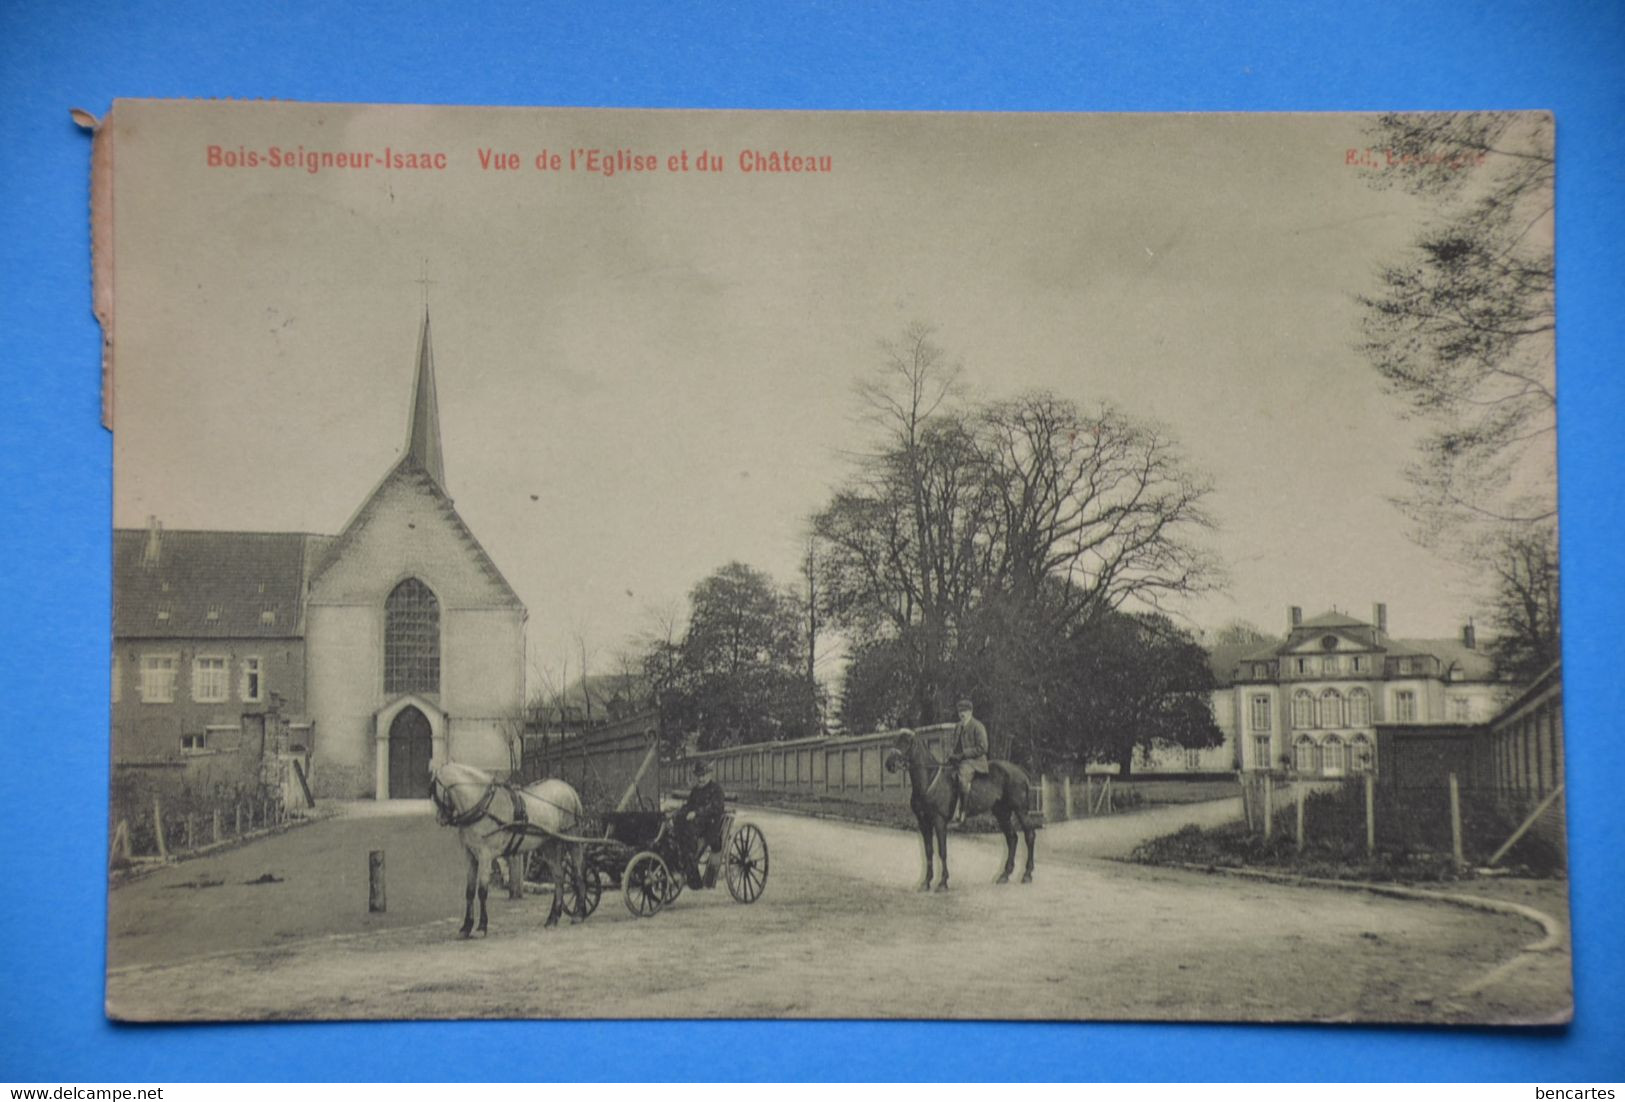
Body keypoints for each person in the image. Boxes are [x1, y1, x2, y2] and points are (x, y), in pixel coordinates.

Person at [674, 758, 725, 887]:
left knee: (687, 833)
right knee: (677, 826)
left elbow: (714, 807)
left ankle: (692, 876)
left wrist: (696, 813)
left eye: (703, 775)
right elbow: (689, 805)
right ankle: (682, 864)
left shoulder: (716, 790)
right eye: (698, 776)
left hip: (711, 826)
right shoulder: (696, 790)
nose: (701, 779)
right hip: (698, 823)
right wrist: (679, 812)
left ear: (709, 774)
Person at [949, 697, 990, 824]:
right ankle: (950, 809)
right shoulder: (957, 726)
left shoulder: (977, 726)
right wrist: (952, 755)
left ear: (971, 712)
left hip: (975, 761)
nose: (962, 714)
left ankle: (963, 811)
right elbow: (954, 744)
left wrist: (964, 754)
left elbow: (983, 748)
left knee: (962, 777)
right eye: (960, 711)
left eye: (965, 711)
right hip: (959, 759)